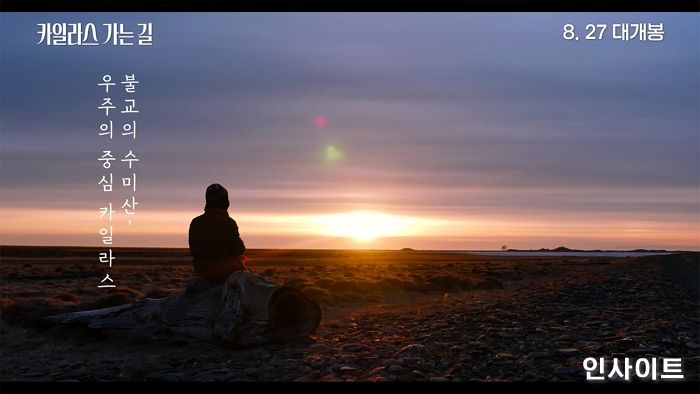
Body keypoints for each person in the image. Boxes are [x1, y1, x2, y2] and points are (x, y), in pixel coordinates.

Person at [188, 183, 247, 283]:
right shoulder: (227, 221)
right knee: (240, 260)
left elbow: (194, 250)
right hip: (223, 270)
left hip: (201, 269)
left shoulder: (195, 221)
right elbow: (238, 249)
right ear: (225, 202)